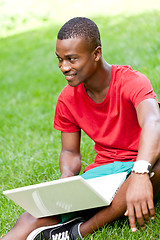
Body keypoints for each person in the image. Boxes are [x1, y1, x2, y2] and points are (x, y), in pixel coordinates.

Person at [1, 17, 160, 240]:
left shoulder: (131, 81)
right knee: (36, 215)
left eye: (72, 59)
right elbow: (69, 152)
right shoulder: (67, 99)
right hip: (105, 174)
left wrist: (141, 173)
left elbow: (154, 122)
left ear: (96, 54)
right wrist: (67, 176)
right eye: (60, 59)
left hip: (143, 163)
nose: (64, 67)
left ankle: (76, 232)